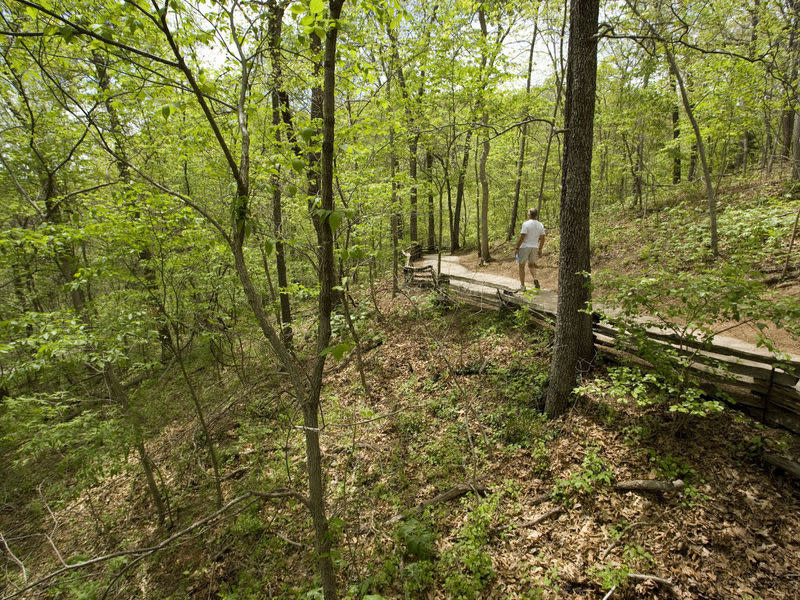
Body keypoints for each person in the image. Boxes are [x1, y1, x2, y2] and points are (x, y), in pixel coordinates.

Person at [514, 208, 546, 291]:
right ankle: (535, 278)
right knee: (531, 265)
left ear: (529, 214)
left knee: (521, 266)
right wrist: (540, 249)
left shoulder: (526, 224)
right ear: (536, 215)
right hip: (535, 247)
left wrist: (517, 247)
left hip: (525, 246)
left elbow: (522, 237)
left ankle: (523, 286)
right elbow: (542, 238)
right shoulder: (540, 225)